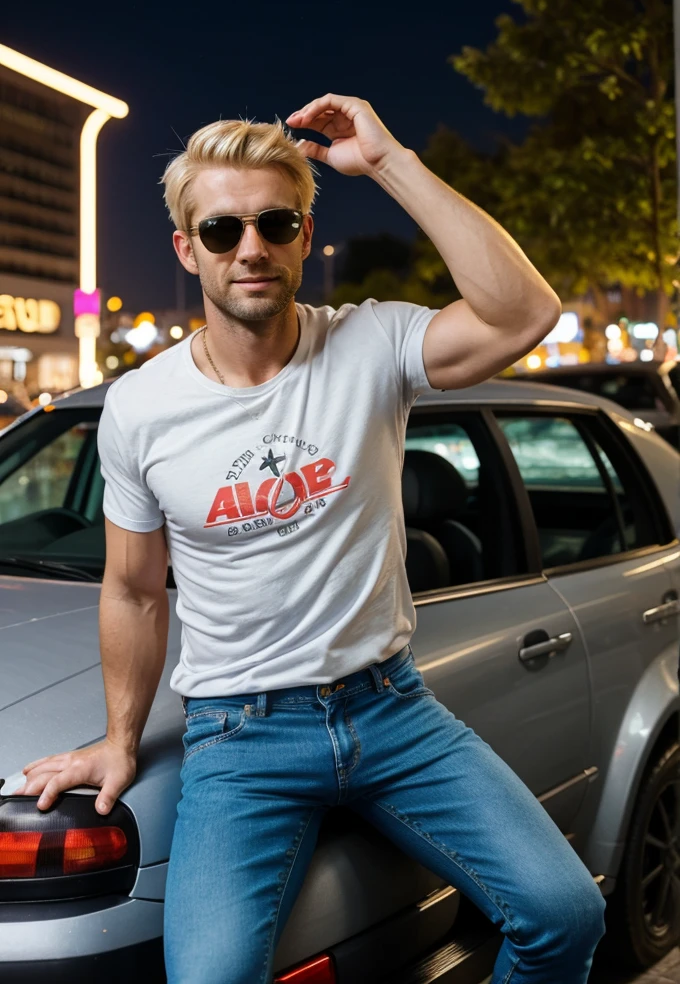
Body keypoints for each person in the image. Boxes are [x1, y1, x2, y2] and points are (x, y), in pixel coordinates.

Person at [14, 93, 606, 984]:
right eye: (221, 231)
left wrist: (390, 160)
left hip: (391, 710)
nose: (249, 247)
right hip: (240, 739)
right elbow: (134, 588)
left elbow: (524, 313)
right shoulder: (139, 407)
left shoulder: (373, 344)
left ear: (302, 234)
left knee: (566, 914)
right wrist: (118, 738)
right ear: (188, 249)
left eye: (274, 222)